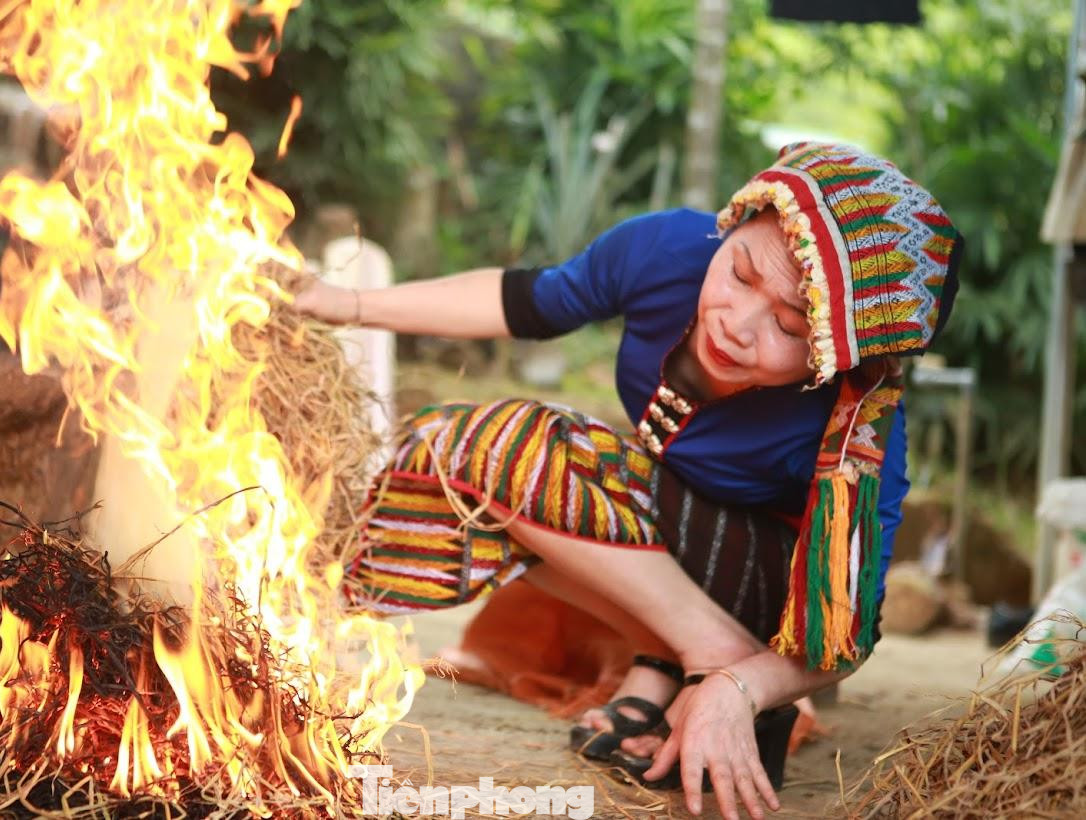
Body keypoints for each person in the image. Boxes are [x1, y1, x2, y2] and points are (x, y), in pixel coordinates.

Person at [295, 142, 963, 820]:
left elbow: (846, 636)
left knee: (518, 449)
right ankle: (677, 657)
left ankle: (717, 672)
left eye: (791, 325)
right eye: (740, 273)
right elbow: (527, 300)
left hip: (763, 597)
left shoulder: (860, 427)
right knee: (441, 458)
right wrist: (339, 301)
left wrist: (742, 686)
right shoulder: (669, 250)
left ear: (837, 353)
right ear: (734, 224)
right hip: (666, 559)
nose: (739, 323)